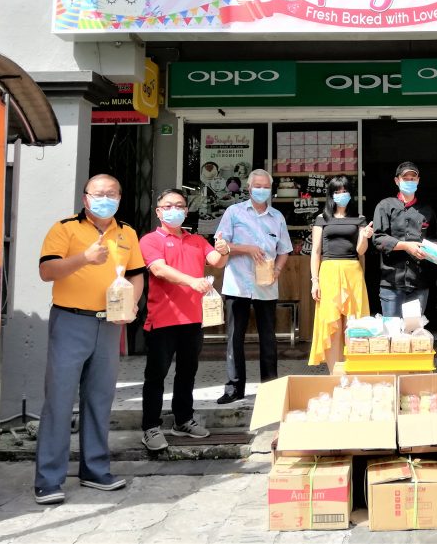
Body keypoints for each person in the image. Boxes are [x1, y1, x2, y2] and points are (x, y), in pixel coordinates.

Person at [34, 174, 145, 505]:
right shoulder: (65, 228)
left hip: (109, 323)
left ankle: (95, 470)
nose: (105, 199)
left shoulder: (127, 233)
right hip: (71, 320)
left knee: (99, 399)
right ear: (85, 198)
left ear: (120, 198)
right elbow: (46, 271)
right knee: (59, 400)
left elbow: (136, 274)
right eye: (98, 194)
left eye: (112, 194)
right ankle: (49, 479)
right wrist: (83, 258)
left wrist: (132, 303)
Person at [138, 189, 230, 451]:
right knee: (156, 375)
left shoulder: (197, 240)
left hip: (192, 319)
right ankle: (150, 426)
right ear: (159, 212)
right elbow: (159, 269)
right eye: (168, 206)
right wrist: (191, 281)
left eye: (179, 206)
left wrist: (224, 250)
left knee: (187, 373)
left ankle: (183, 419)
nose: (174, 210)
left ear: (186, 211)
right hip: (162, 319)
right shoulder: (150, 240)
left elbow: (216, 261)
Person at [215, 169, 292, 404]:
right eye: (257, 186)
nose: (261, 190)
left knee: (268, 338)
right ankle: (234, 388)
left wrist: (277, 270)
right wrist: (246, 248)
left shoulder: (277, 217)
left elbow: (284, 250)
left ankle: (270, 387)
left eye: (265, 186)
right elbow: (221, 243)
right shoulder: (234, 212)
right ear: (249, 188)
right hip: (237, 284)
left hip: (266, 285)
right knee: (234, 337)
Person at [308, 176, 374, 373]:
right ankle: (334, 374)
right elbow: (316, 251)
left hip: (352, 270)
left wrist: (365, 237)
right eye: (337, 191)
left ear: (350, 194)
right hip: (328, 272)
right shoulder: (322, 219)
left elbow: (361, 251)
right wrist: (314, 281)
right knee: (332, 326)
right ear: (331, 195)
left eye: (344, 191)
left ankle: (353, 372)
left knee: (353, 326)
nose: (341, 195)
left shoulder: (359, 219)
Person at [372, 161, 437, 317]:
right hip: (391, 283)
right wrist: (406, 246)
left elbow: (435, 240)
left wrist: (433, 252)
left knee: (413, 329)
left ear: (418, 181)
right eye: (405, 178)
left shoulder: (426, 210)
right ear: (397, 181)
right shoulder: (385, 206)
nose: (409, 181)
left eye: (412, 178)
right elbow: (378, 238)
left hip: (419, 282)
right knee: (392, 329)